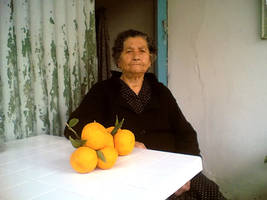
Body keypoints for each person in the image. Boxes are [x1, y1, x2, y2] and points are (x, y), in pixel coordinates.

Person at [64, 29, 226, 200]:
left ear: (150, 60)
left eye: (142, 51)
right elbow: (73, 128)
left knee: (210, 192)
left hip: (169, 165)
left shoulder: (160, 91)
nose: (136, 56)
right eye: (129, 51)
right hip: (127, 171)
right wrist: (120, 142)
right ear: (118, 60)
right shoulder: (102, 91)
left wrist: (184, 171)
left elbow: (185, 133)